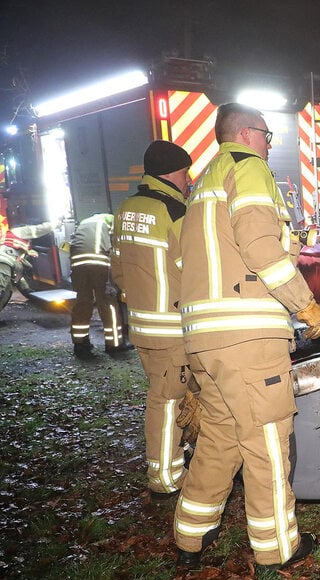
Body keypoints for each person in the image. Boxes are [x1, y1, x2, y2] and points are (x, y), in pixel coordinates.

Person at [174, 103, 320, 572]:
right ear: (245, 132)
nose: (270, 143)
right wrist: (304, 302)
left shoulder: (205, 183)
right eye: (267, 134)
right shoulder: (249, 167)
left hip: (205, 339)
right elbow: (260, 246)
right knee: (265, 440)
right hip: (246, 336)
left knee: (220, 439)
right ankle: (277, 548)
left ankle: (190, 535)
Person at [111, 140, 195, 503]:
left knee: (171, 396)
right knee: (167, 401)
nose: (189, 179)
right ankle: (165, 478)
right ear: (175, 172)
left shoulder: (126, 208)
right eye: (187, 172)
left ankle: (179, 456)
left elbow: (118, 270)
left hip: (143, 326)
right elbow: (193, 269)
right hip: (172, 329)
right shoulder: (175, 211)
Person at [69, 212, 125, 357]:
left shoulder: (85, 222)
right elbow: (117, 246)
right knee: (107, 303)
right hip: (98, 262)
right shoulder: (112, 221)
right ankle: (114, 344)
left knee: (83, 302)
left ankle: (80, 344)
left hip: (77, 264)